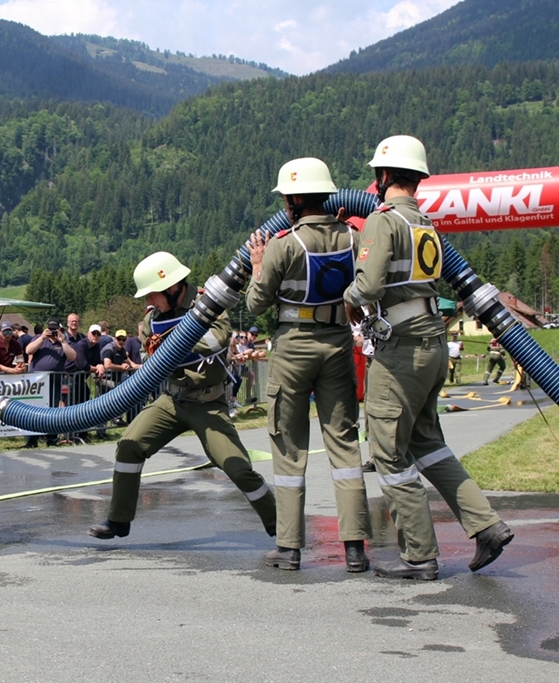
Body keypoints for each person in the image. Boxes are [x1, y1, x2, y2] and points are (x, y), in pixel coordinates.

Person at [344, 135, 512, 580]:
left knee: (388, 453)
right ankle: (486, 525)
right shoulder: (424, 223)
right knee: (426, 443)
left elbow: (368, 286)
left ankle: (419, 555)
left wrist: (349, 296)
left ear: (383, 176)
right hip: (432, 343)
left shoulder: (383, 220)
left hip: (400, 350)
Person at [88, 252, 277, 540]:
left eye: (151, 294)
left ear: (172, 287)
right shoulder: (152, 318)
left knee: (236, 467)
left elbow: (217, 339)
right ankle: (119, 519)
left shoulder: (208, 303)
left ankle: (280, 524)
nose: (148, 301)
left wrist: (173, 342)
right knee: (128, 444)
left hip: (207, 403)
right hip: (171, 399)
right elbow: (148, 350)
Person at [246, 156, 372, 572]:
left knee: (288, 446)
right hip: (337, 342)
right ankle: (354, 548)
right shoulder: (352, 236)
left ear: (295, 199)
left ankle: (289, 548)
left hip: (294, 345)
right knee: (344, 443)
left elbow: (256, 302)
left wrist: (258, 265)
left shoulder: (283, 243)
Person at [24, 318, 76, 448]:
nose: (52, 331)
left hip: (54, 382)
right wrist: (42, 338)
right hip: (37, 382)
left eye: (55, 329)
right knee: (34, 410)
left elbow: (73, 356)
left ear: (60, 329)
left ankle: (52, 438)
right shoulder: (38, 338)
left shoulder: (64, 341)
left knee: (52, 410)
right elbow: (28, 350)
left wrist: (62, 341)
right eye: (50, 329)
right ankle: (32, 439)